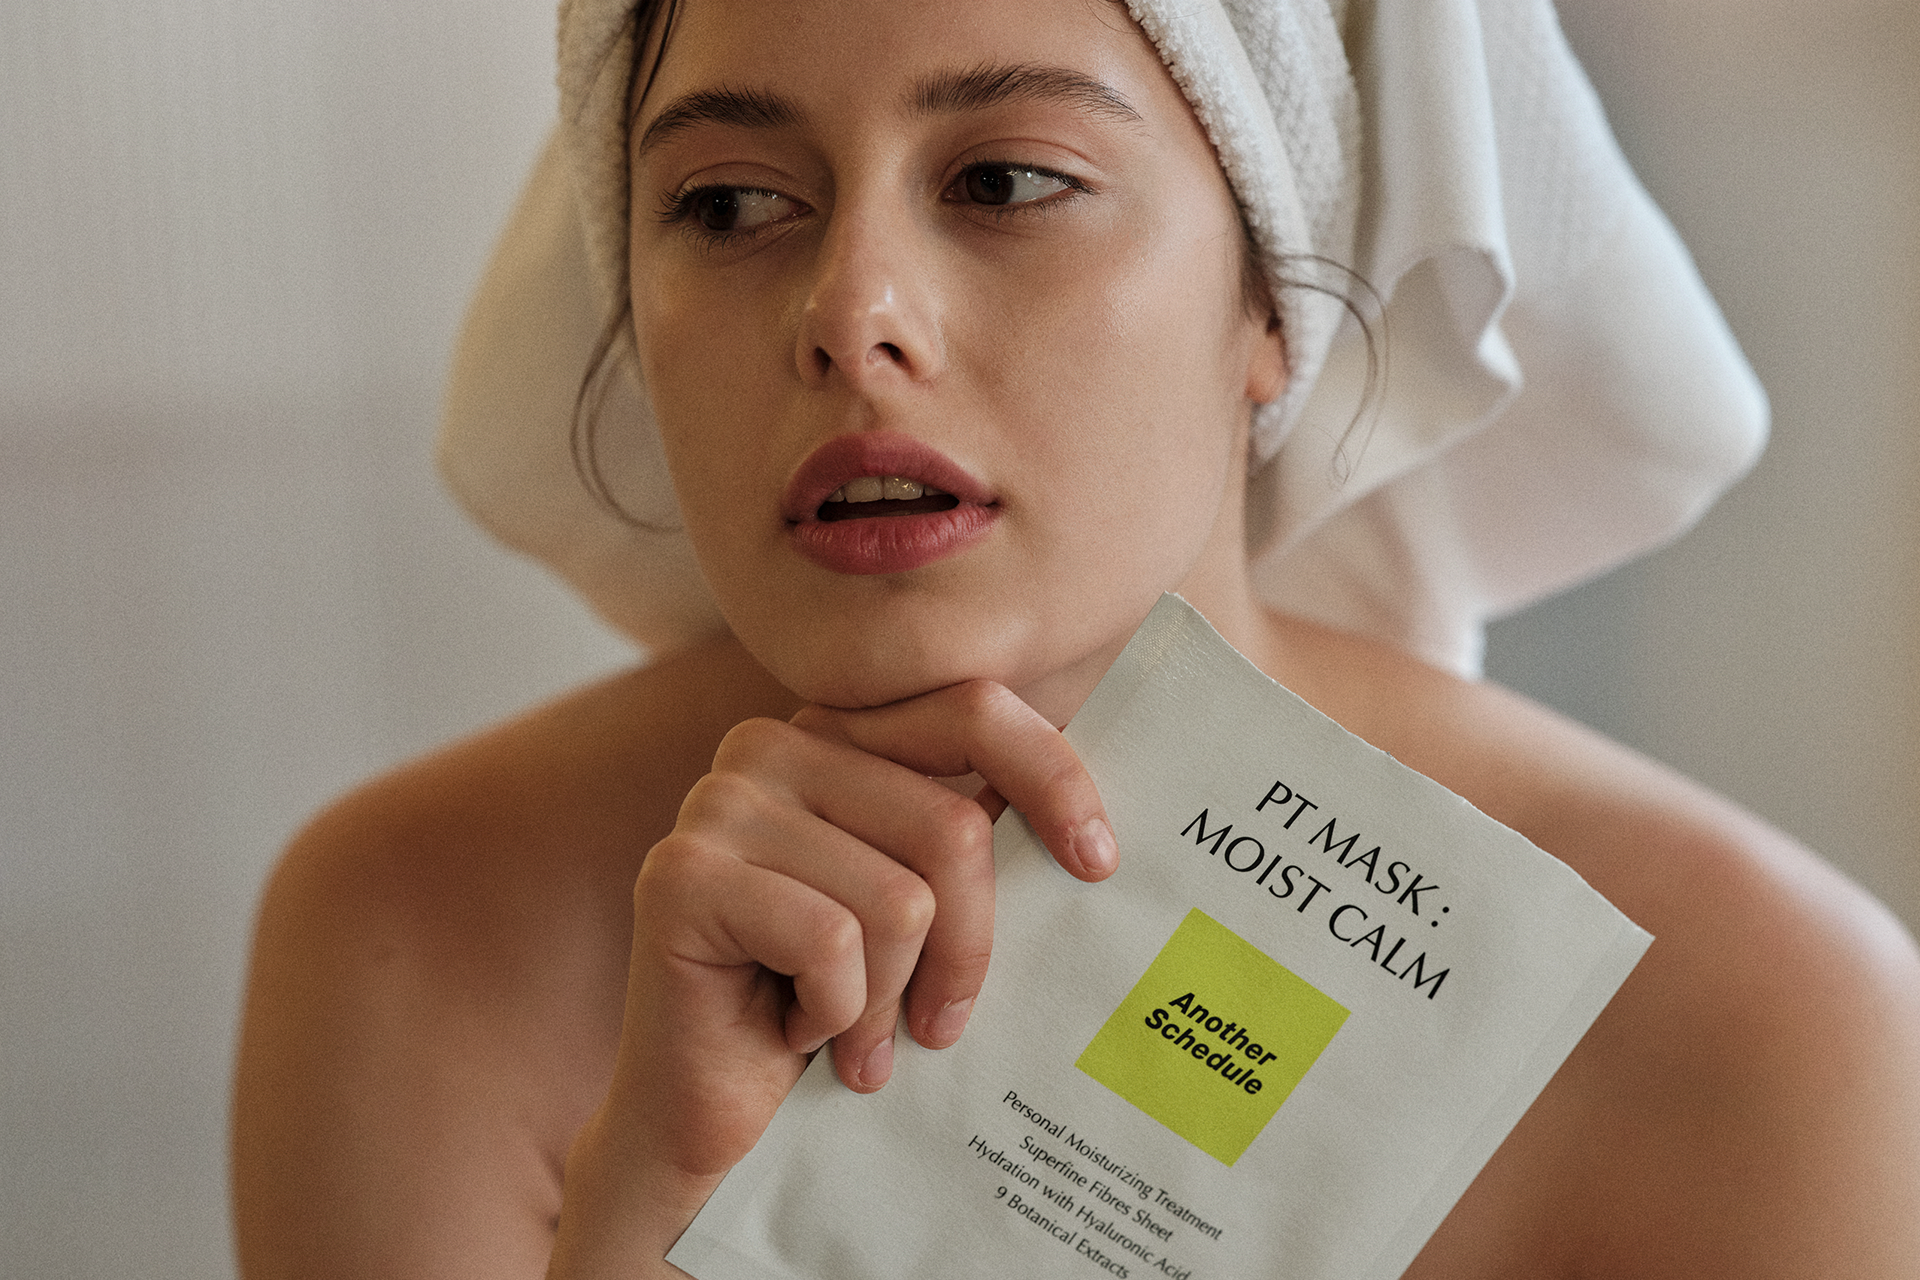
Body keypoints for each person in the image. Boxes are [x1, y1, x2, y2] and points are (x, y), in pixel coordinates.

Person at [230, 0, 1920, 1276]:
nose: (851, 315)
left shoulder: (1759, 1028)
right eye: (731, 204)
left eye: (1009, 179)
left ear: (1269, 299)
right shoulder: (421, 936)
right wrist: (642, 1220)